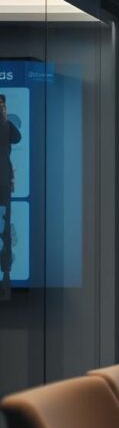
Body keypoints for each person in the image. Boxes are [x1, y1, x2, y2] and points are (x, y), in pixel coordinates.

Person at [0, 94, 22, 300]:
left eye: (3, 106)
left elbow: (17, 138)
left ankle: (5, 272)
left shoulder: (7, 127)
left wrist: (5, 119)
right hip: (4, 180)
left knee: (5, 226)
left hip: (4, 182)